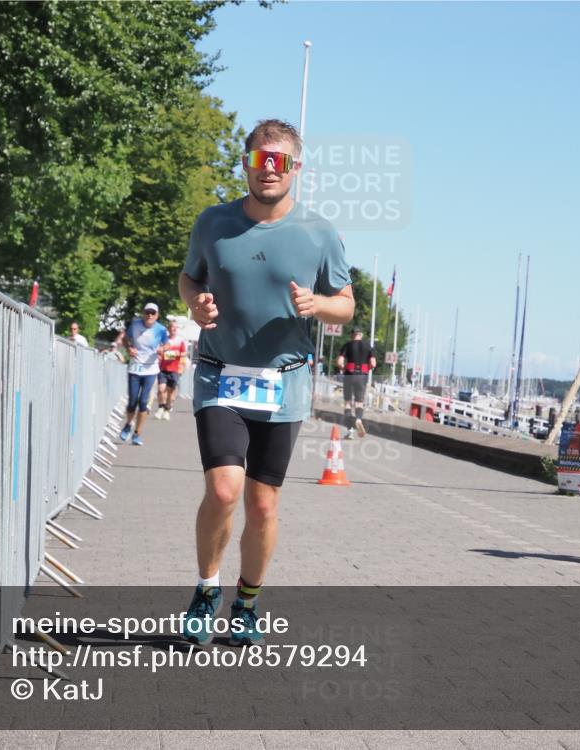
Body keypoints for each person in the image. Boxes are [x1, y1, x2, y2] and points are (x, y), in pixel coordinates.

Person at [178, 118, 354, 645]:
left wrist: (317, 304)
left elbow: (345, 305)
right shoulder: (213, 223)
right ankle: (207, 590)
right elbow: (190, 277)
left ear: (296, 168)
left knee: (262, 504)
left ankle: (246, 602)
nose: (269, 171)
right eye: (260, 161)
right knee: (224, 489)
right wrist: (195, 301)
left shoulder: (319, 233)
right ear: (248, 164)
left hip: (285, 384)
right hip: (220, 375)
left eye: (280, 162)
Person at [117, 302, 169, 447]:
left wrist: (162, 349)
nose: (149, 316)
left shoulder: (161, 329)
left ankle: (137, 433)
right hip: (135, 368)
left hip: (151, 370)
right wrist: (129, 348)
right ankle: (128, 425)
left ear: (157, 315)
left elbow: (167, 344)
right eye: (147, 312)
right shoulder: (135, 325)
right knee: (133, 402)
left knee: (143, 402)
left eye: (153, 313)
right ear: (143, 313)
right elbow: (125, 339)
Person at [337, 327, 376, 439]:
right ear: (361, 334)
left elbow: (339, 362)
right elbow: (373, 364)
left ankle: (350, 431)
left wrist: (344, 368)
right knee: (359, 403)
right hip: (362, 376)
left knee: (348, 403)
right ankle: (358, 419)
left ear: (352, 335)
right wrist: (365, 370)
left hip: (349, 375)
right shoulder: (369, 346)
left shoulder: (347, 345)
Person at [154, 319, 188, 420]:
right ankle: (161, 407)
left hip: (174, 370)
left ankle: (167, 409)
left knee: (171, 392)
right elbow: (159, 351)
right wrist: (160, 353)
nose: (173, 329)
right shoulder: (164, 340)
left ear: (177, 329)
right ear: (169, 328)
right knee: (161, 389)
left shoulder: (180, 341)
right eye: (171, 327)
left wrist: (181, 364)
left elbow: (184, 354)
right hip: (163, 368)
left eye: (175, 327)